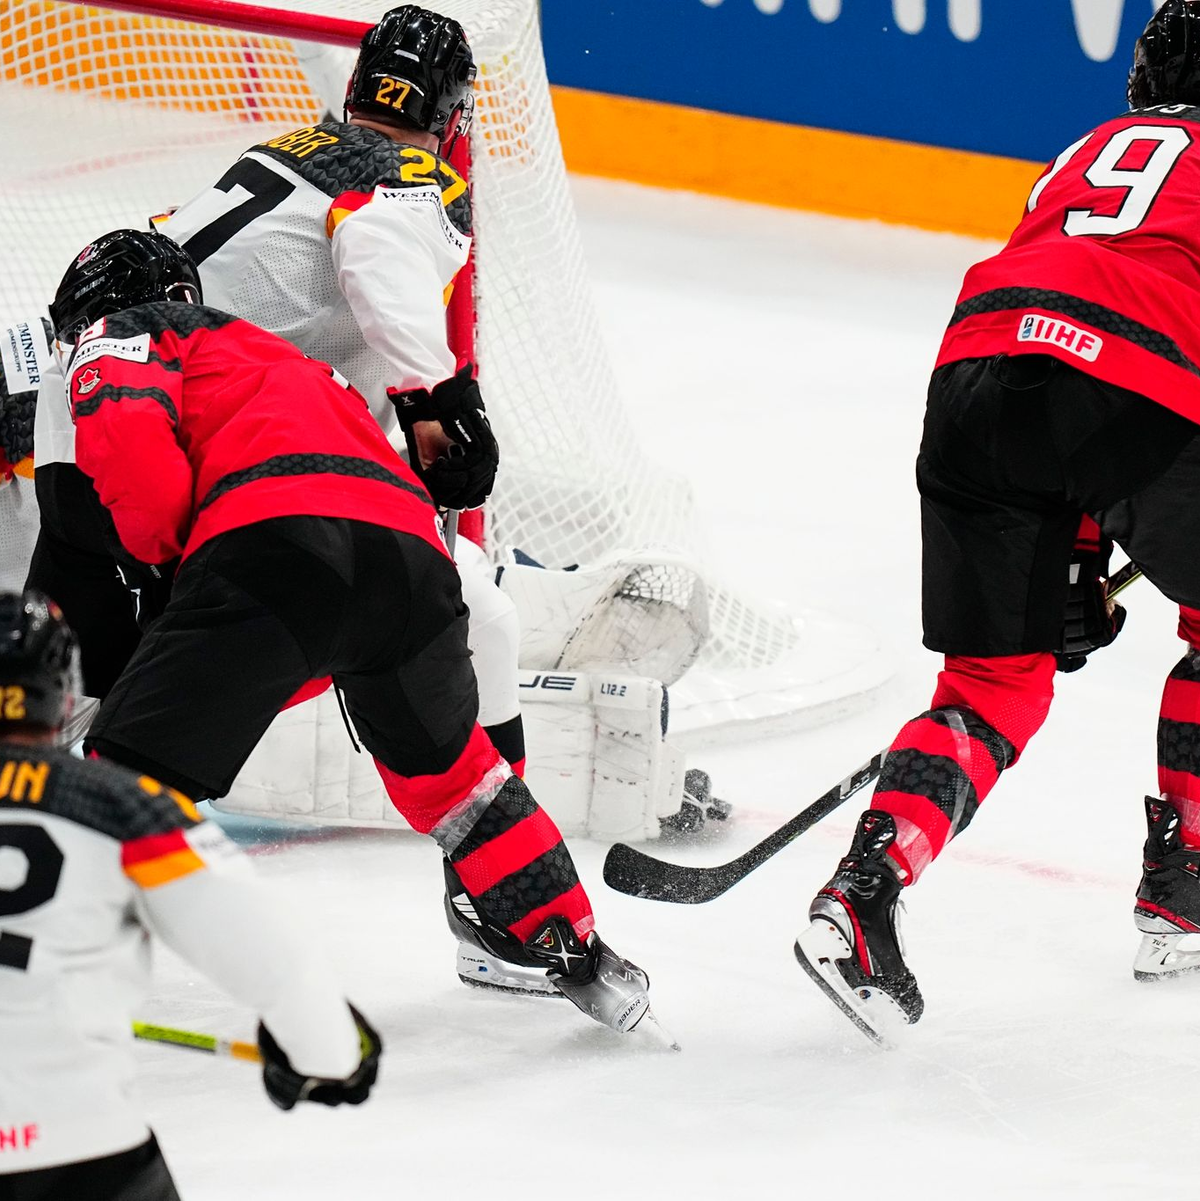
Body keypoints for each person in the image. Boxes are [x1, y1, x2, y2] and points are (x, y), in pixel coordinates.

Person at [49, 226, 653, 1036]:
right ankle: (578, 949)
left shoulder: (120, 332)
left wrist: (166, 567)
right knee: (460, 785)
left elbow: (135, 459)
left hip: (276, 551)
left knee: (118, 776)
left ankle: (40, 957)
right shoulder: (285, 358)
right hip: (414, 569)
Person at [795, 0, 1200, 1042]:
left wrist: (1074, 549)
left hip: (977, 373)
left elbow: (1060, 339)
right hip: (1133, 381)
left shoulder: (1087, 151)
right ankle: (1188, 882)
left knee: (992, 683)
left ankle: (864, 894)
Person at [0, 590, 381, 1199]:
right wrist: (329, 1054)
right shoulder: (122, 805)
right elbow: (270, 953)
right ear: (63, 693)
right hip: (82, 1146)